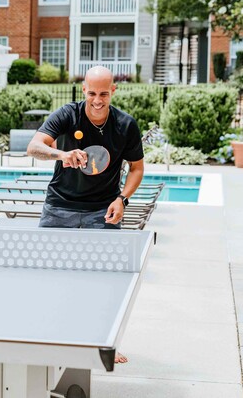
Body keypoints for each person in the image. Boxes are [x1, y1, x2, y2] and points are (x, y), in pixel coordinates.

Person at [26, 66, 145, 364]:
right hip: (59, 206)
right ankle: (45, 336)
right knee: (44, 274)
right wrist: (62, 154)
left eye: (104, 93)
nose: (97, 100)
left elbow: (137, 168)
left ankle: (105, 342)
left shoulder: (126, 125)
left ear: (113, 91)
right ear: (84, 90)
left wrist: (123, 199)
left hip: (102, 210)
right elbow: (34, 147)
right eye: (92, 93)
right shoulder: (67, 115)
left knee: (105, 281)